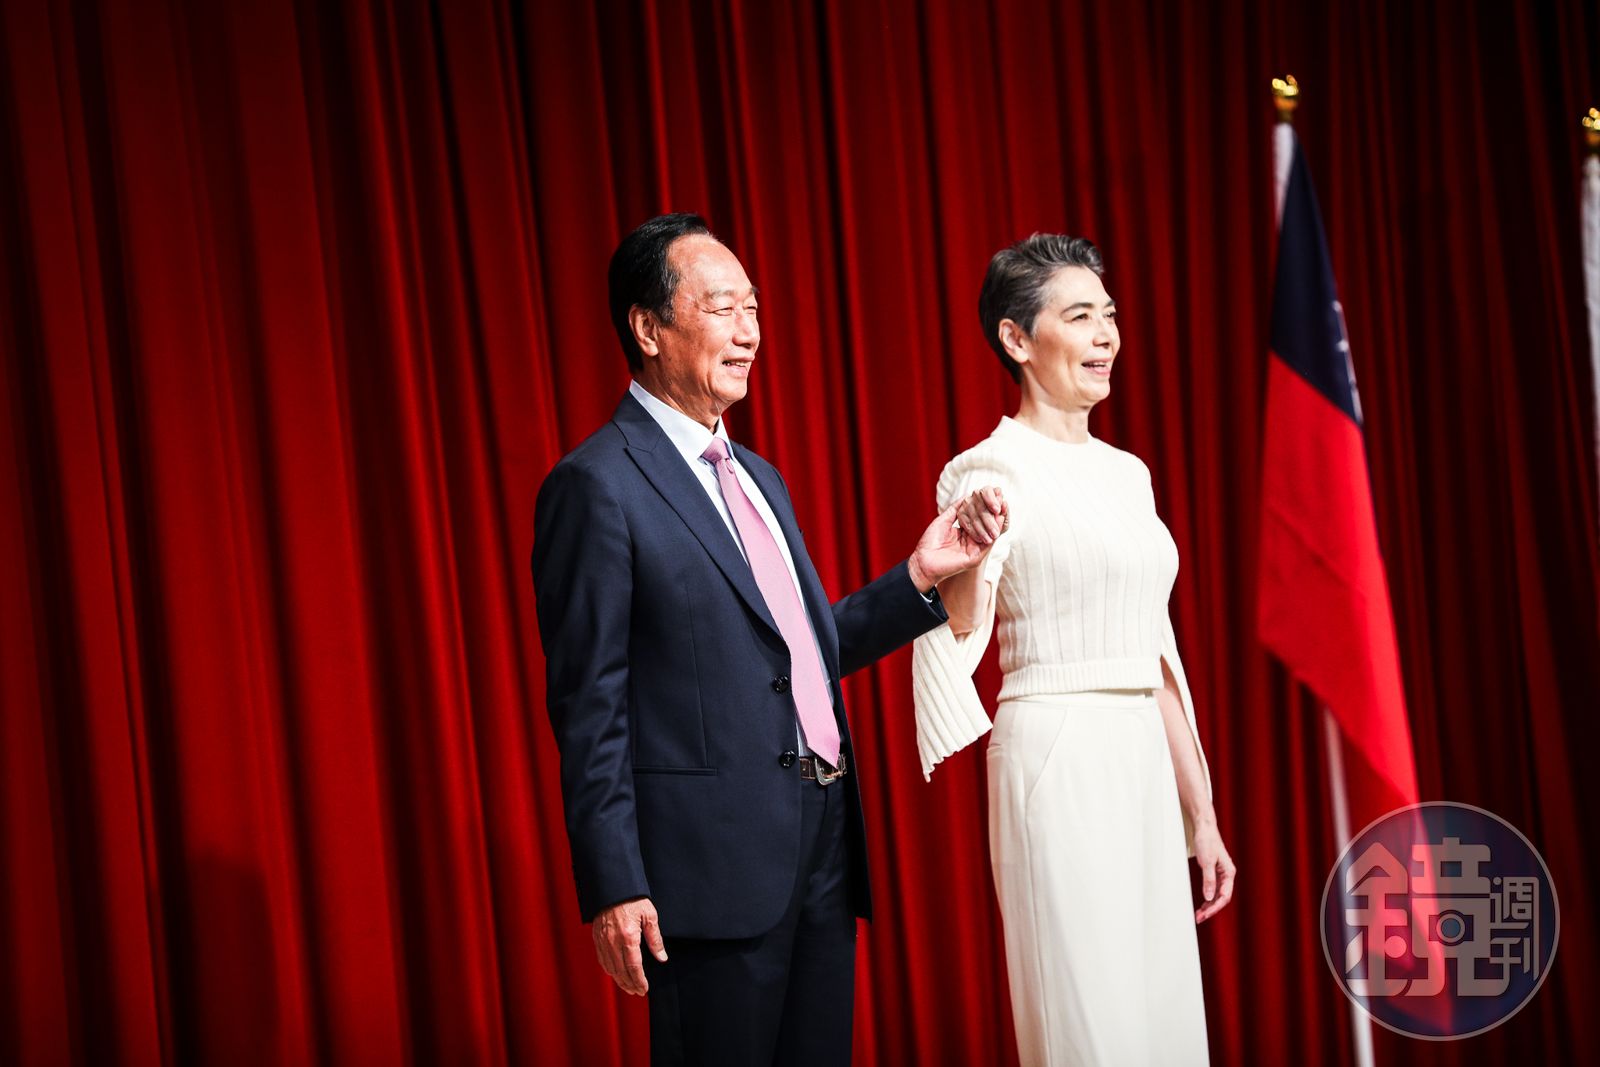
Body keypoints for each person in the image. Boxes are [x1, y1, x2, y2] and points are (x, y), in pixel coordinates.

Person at [532, 213, 992, 1065]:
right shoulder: (596, 485)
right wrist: (613, 880)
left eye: (753, 308)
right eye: (722, 308)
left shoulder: (759, 478)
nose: (748, 331)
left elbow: (799, 654)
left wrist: (919, 575)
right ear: (648, 327)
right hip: (708, 866)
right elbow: (589, 704)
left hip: (821, 840)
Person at [911, 234, 1237, 1065]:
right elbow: (959, 628)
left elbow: (1154, 651)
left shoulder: (1130, 474)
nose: (1106, 336)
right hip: (1055, 749)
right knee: (1087, 1023)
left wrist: (1201, 815)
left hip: (1142, 753)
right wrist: (966, 552)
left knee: (1164, 1022)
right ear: (1016, 339)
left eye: (1110, 316)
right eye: (1081, 315)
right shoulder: (984, 470)